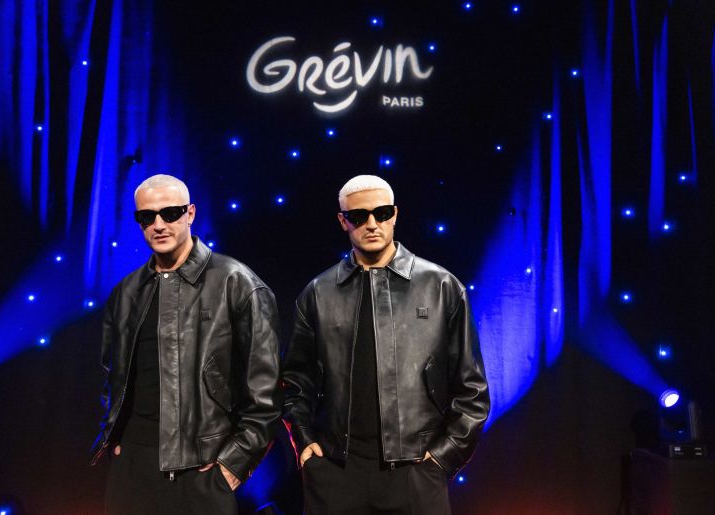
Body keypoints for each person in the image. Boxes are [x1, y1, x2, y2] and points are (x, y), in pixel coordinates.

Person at [281, 174, 490, 514]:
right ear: (343, 221)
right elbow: (294, 384)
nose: (372, 224)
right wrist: (305, 445)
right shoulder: (318, 293)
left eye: (381, 213)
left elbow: (472, 391)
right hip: (336, 473)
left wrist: (442, 458)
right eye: (358, 216)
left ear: (395, 214)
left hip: (415, 473)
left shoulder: (441, 287)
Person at [91, 174, 282, 514]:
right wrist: (116, 441)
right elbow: (111, 376)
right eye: (147, 216)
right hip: (131, 470)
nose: (158, 225)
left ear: (190, 213)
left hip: (202, 472)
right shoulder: (126, 293)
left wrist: (233, 465)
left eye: (170, 213)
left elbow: (266, 394)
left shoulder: (236, 283)